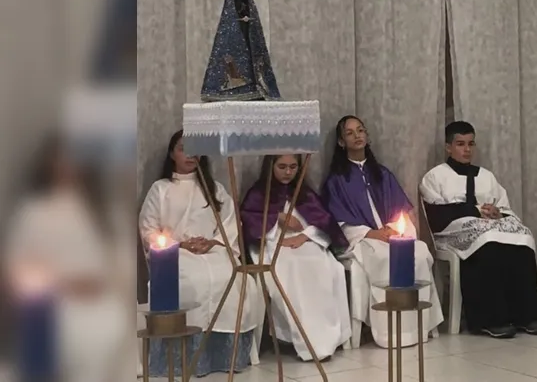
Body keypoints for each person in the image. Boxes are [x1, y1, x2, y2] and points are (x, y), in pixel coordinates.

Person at [139, 130, 264, 376]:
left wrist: (213, 242)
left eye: (196, 149)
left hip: (213, 251)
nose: (190, 154)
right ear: (171, 153)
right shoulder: (160, 189)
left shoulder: (214, 189)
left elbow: (230, 223)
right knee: (192, 280)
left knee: (232, 278)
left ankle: (223, 355)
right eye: (183, 148)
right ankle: (184, 358)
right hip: (175, 253)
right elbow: (148, 228)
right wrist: (179, 245)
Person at [4, 135, 128, 382]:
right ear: (49, 163)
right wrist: (62, 284)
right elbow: (16, 267)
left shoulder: (100, 211)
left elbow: (118, 260)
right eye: (62, 158)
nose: (68, 165)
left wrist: (102, 284)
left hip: (102, 298)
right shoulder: (33, 212)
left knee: (113, 327)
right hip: (51, 303)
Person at [322, 115, 444, 348]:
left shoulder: (383, 174)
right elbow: (338, 223)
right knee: (383, 256)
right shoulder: (336, 181)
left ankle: (417, 327)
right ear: (340, 142)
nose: (357, 136)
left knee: (418, 251)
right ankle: (391, 332)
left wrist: (397, 229)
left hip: (392, 237)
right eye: (350, 133)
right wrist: (371, 234)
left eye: (360, 130)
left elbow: (404, 213)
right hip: (361, 242)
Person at [419, 121, 537, 338]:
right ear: (448, 147)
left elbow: (503, 205)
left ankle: (524, 315)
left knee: (523, 239)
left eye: (471, 144)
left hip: (489, 227)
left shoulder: (486, 176)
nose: (467, 149)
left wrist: (498, 213)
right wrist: (474, 210)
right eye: (460, 144)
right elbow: (437, 214)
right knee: (487, 245)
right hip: (453, 232)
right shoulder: (435, 176)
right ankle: (490, 319)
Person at [240, 154, 352, 361]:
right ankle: (306, 340)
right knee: (293, 268)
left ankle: (325, 336)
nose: (288, 172)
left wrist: (304, 236)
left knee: (323, 266)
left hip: (306, 243)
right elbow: (250, 222)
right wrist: (277, 220)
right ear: (270, 166)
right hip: (273, 246)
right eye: (282, 166)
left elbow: (323, 222)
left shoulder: (304, 192)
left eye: (293, 167)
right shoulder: (258, 193)